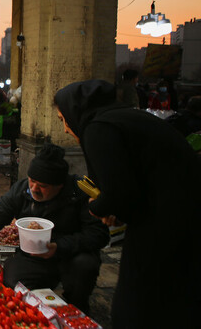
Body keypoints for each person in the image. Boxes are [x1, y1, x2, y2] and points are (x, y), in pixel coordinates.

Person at [53, 79, 200, 328]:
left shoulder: (98, 128)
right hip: (180, 215)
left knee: (139, 299)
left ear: (74, 111)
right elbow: (133, 185)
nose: (66, 129)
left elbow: (118, 192)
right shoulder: (124, 118)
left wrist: (96, 206)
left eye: (62, 119)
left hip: (167, 223)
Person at [0, 144, 109, 312]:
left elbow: (98, 234)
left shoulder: (79, 193)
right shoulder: (22, 190)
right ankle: (36, 308)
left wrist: (60, 246)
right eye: (32, 181)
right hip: (35, 255)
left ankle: (77, 308)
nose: (34, 189)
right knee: (13, 277)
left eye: (43, 186)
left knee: (84, 266)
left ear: (60, 186)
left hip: (71, 253)